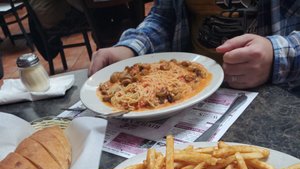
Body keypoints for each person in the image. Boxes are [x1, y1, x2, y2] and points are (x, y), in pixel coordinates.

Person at [89, 0, 300, 90]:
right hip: (190, 93)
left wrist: (277, 56)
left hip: (276, 93)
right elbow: (163, 18)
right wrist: (130, 49)